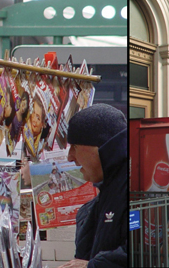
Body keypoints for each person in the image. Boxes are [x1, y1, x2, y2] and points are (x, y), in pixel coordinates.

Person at [59, 103, 127, 268]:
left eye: (74, 146)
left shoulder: (128, 189)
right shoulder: (103, 195)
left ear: (100, 148)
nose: (70, 157)